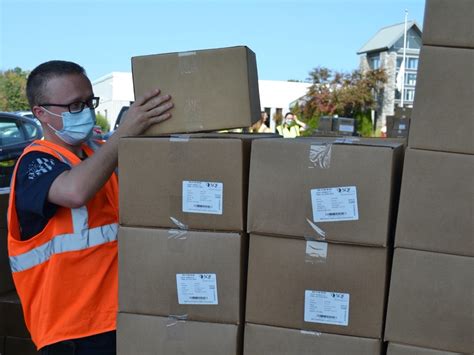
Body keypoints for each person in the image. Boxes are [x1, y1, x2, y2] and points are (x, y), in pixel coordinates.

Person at [7, 60, 174, 354]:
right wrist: (123, 134)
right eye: (73, 106)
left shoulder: (93, 156)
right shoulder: (35, 163)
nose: (85, 111)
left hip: (116, 319)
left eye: (88, 102)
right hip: (71, 333)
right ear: (40, 113)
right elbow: (74, 192)